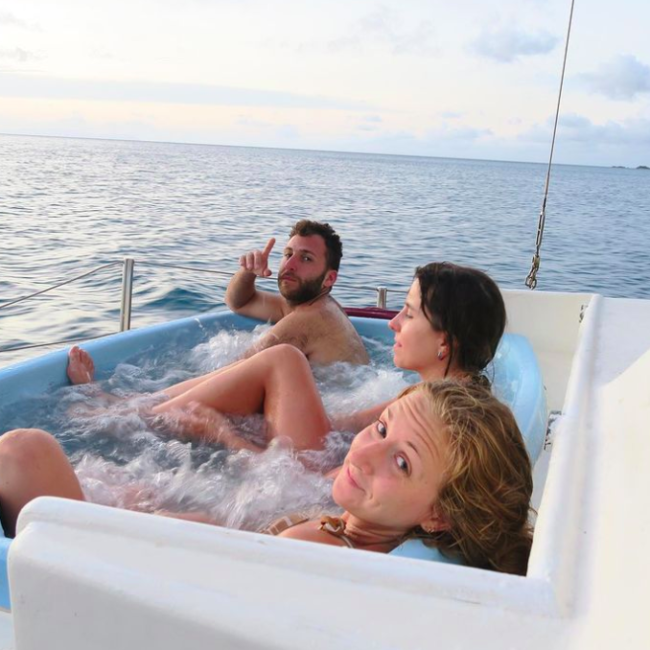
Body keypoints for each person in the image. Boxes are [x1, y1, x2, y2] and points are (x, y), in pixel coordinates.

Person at [0, 380, 534, 575]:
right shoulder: (357, 535)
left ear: (438, 514)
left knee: (26, 450)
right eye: (380, 427)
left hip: (109, 587)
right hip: (164, 557)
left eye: (402, 462)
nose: (367, 452)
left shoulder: (323, 552)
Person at [224, 219, 369, 365]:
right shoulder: (316, 305)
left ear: (329, 278)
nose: (289, 265)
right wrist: (248, 271)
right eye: (288, 254)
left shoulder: (309, 320)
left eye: (306, 258)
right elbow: (240, 303)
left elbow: (232, 372)